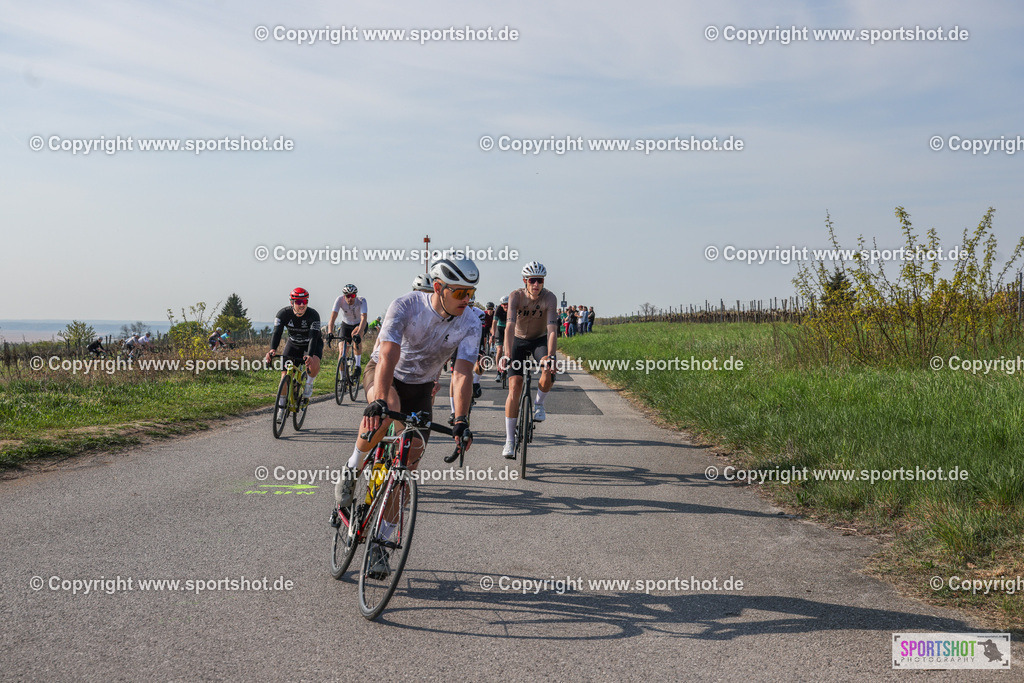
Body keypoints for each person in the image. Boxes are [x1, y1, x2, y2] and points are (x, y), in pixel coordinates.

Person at [334, 256, 480, 576]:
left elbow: (462, 374)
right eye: (460, 293)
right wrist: (380, 402)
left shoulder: (471, 322)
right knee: (386, 411)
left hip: (422, 388)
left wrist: (461, 421)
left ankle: (381, 546)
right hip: (386, 374)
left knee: (407, 462)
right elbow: (387, 354)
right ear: (438, 288)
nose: (467, 300)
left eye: (471, 293)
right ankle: (353, 467)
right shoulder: (406, 305)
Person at [498, 261, 558, 458]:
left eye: (540, 280)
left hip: (539, 340)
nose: (536, 284)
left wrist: (550, 356)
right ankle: (509, 440)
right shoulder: (516, 296)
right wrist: (507, 354)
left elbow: (551, 330)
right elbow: (509, 326)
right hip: (518, 339)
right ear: (525, 281)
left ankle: (539, 404)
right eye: (532, 280)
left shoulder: (550, 298)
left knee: (548, 370)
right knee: (514, 386)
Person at [263, 287, 322, 403]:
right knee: (284, 377)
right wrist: (272, 350)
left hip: (311, 344)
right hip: (293, 344)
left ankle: (309, 384)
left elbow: (313, 337)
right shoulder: (283, 314)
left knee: (313, 363)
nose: (302, 305)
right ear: (292, 302)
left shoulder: (313, 315)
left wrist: (309, 355)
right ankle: (281, 407)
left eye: (305, 302)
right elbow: (277, 333)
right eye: (299, 302)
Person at [328, 284, 368, 379]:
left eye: (352, 296)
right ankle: (342, 378)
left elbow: (364, 319)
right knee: (342, 351)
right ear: (344, 296)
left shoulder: (362, 301)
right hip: (346, 324)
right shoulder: (339, 300)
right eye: (347, 296)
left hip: (359, 324)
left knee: (355, 336)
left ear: (356, 295)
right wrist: (330, 332)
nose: (350, 299)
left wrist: (359, 334)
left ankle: (358, 366)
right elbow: (332, 318)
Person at [491, 295, 509, 382]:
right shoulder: (498, 308)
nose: (505, 306)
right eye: (504, 304)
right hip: (500, 329)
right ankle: (498, 371)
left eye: (507, 304)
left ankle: (506, 367)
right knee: (499, 350)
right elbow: (494, 322)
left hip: (509, 330)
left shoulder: (513, 308)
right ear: (501, 305)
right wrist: (493, 334)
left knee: (507, 350)